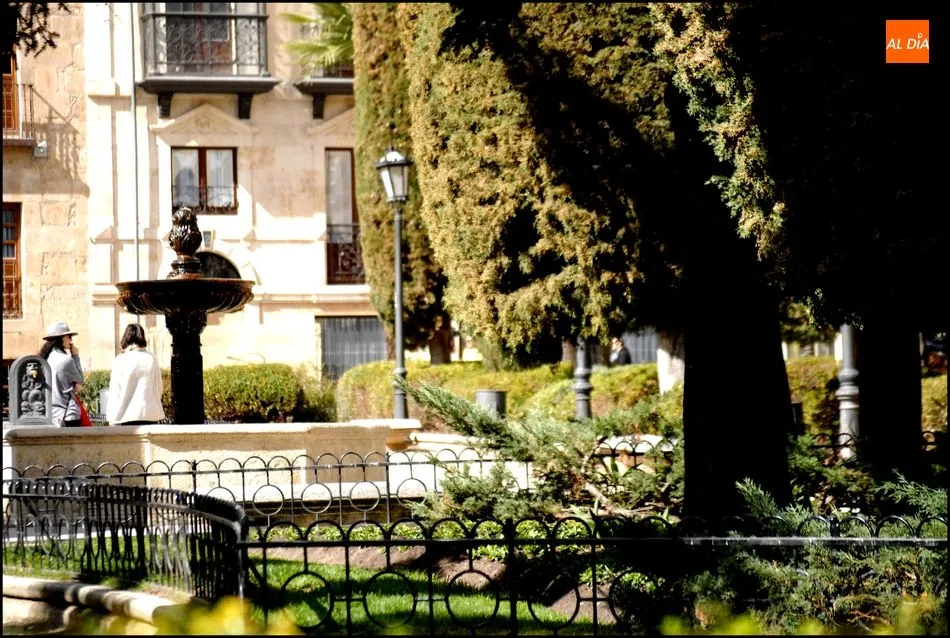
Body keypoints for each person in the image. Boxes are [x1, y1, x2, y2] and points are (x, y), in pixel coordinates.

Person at [106, 323, 166, 426]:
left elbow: (115, 390)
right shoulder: (152, 358)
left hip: (127, 415)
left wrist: (111, 417)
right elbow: (158, 387)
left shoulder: (121, 360)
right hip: (150, 414)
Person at [38, 321, 84, 427]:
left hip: (50, 415)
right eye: (69, 336)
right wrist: (75, 355)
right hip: (67, 414)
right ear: (63, 338)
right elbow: (80, 379)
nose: (71, 340)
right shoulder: (66, 360)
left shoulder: (45, 359)